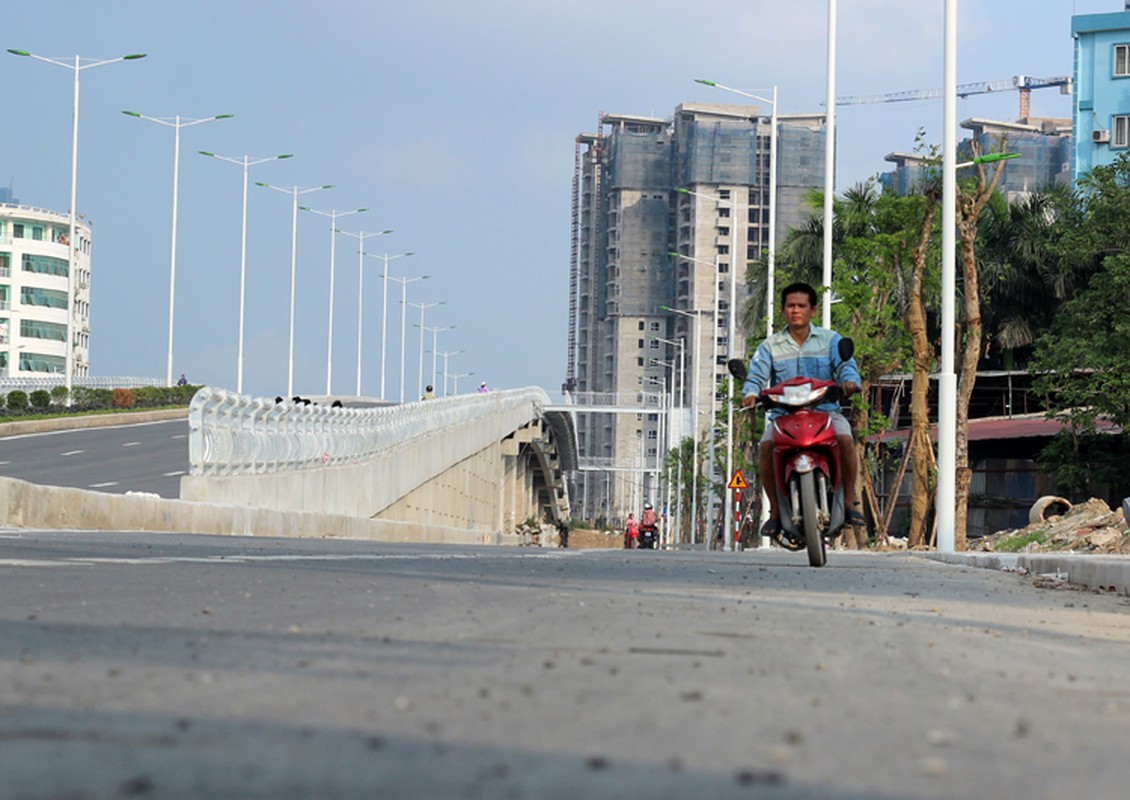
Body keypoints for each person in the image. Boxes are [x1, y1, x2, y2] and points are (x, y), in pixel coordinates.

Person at [741, 281, 863, 544]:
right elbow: (756, 376)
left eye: (801, 306)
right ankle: (774, 510)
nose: (796, 310)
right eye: (790, 306)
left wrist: (850, 381)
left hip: (825, 412)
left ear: (813, 310)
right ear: (783, 310)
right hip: (783, 418)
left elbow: (846, 366)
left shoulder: (831, 340)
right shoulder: (770, 346)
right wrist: (750, 393)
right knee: (765, 446)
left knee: (845, 438)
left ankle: (850, 500)